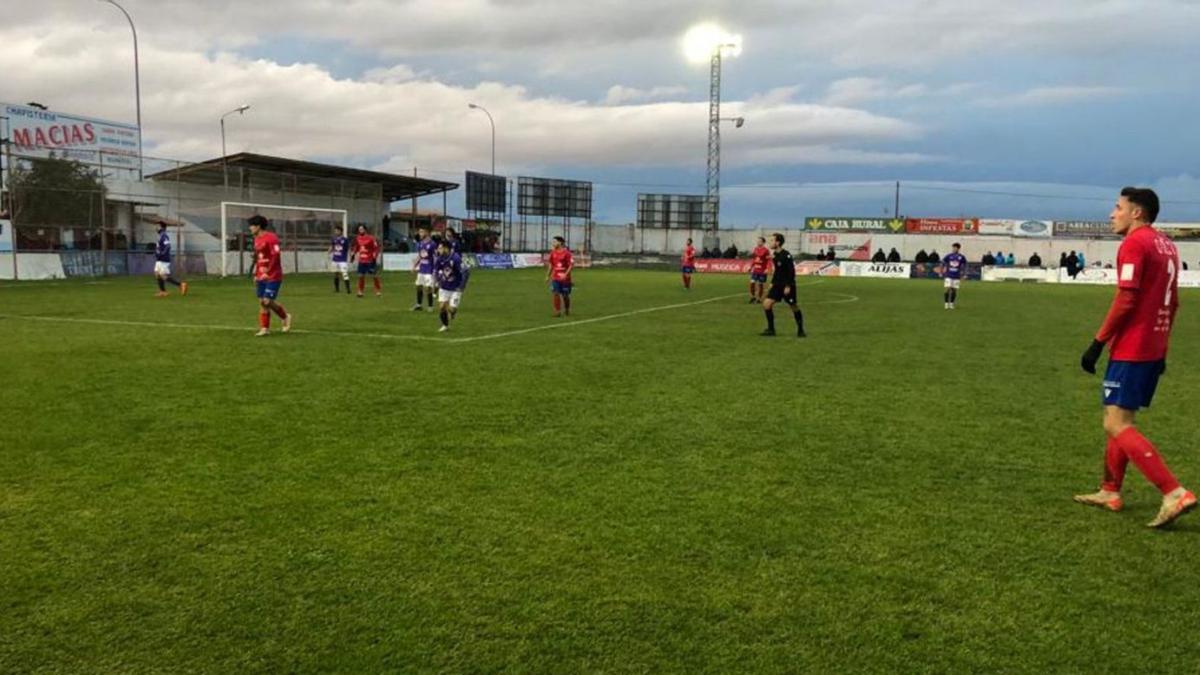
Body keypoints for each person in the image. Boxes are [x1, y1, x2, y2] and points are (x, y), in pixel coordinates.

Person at [1075, 187, 1194, 528]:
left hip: (1133, 345)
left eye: (1118, 207)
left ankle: (1174, 492)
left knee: (1116, 423)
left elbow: (1127, 299)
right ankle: (1110, 490)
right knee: (1119, 416)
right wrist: (1164, 348)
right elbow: (1173, 302)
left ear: (1137, 213)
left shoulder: (1135, 243)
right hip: (1153, 344)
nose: (1112, 214)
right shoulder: (1167, 244)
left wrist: (1098, 342)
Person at [248, 215, 291, 337]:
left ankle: (285, 316)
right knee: (262, 301)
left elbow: (275, 256)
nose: (250, 228)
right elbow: (259, 258)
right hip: (261, 275)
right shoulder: (257, 239)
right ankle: (264, 328)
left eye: (251, 225)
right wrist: (257, 274)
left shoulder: (271, 238)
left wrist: (268, 272)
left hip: (273, 275)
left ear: (258, 226)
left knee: (267, 301)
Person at [760, 233, 805, 338]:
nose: (770, 243)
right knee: (766, 304)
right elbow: (777, 271)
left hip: (787, 285)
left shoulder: (786, 255)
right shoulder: (775, 255)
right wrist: (772, 283)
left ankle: (800, 330)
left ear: (778, 242)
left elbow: (791, 271)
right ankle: (771, 330)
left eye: (772, 241)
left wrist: (788, 286)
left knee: (793, 306)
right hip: (777, 285)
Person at [434, 238, 466, 332]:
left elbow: (465, 272)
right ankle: (445, 325)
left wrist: (461, 286)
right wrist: (437, 279)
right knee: (441, 307)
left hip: (455, 288)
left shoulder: (456, 258)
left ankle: (452, 312)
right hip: (444, 287)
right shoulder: (439, 259)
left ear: (446, 248)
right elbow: (436, 270)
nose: (438, 250)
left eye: (440, 248)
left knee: (452, 309)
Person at [152, 221, 188, 298]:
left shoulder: (164, 235)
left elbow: (167, 246)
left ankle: (181, 285)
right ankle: (163, 291)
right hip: (159, 259)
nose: (156, 228)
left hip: (163, 259)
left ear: (162, 227)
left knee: (163, 275)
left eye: (157, 226)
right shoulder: (160, 235)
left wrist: (162, 253)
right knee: (157, 274)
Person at [546, 235, 574, 317]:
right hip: (555, 277)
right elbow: (551, 265)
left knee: (565, 295)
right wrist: (548, 275)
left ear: (560, 242)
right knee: (555, 293)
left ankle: (567, 309)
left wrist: (565, 274)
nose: (553, 243)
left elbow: (571, 265)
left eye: (555, 241)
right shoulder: (553, 253)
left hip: (565, 278)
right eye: (553, 242)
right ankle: (557, 312)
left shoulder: (567, 253)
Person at [351, 224, 382, 297]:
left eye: (362, 229)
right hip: (362, 260)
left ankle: (378, 291)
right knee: (361, 276)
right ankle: (360, 291)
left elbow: (376, 248)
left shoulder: (371, 238)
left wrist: (375, 256)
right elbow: (357, 247)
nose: (360, 230)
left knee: (374, 275)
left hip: (370, 260)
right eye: (359, 229)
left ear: (365, 230)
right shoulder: (358, 238)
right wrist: (353, 254)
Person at [411, 227, 437, 311]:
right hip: (422, 269)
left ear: (427, 232)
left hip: (429, 269)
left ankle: (430, 306)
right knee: (418, 286)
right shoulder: (420, 244)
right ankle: (419, 305)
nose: (420, 234)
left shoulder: (432, 244)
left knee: (428, 288)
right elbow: (420, 256)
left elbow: (436, 257)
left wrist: (436, 269)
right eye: (419, 232)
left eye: (421, 232)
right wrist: (414, 265)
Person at [941, 243, 967, 309]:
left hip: (957, 276)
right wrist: (941, 271)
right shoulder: (949, 256)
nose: (954, 249)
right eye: (953, 247)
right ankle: (946, 303)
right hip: (948, 275)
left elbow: (964, 266)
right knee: (947, 289)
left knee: (954, 290)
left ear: (958, 248)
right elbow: (943, 262)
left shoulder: (961, 257)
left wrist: (964, 274)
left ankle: (952, 303)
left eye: (955, 248)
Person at [749, 236, 771, 304]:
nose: (758, 242)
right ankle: (753, 297)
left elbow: (768, 260)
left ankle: (759, 299)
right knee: (752, 283)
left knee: (760, 284)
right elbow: (754, 259)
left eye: (760, 241)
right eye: (758, 241)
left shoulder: (766, 250)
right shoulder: (755, 249)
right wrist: (751, 266)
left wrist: (767, 268)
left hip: (762, 270)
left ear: (763, 242)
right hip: (755, 270)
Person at [329, 227, 351, 294]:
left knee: (345, 273)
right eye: (335, 231)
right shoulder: (334, 239)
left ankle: (348, 289)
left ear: (341, 231)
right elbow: (332, 246)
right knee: (336, 274)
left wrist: (350, 255)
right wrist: (329, 250)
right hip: (335, 259)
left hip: (342, 260)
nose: (336, 232)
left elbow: (348, 248)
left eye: (337, 231)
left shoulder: (345, 240)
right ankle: (337, 289)